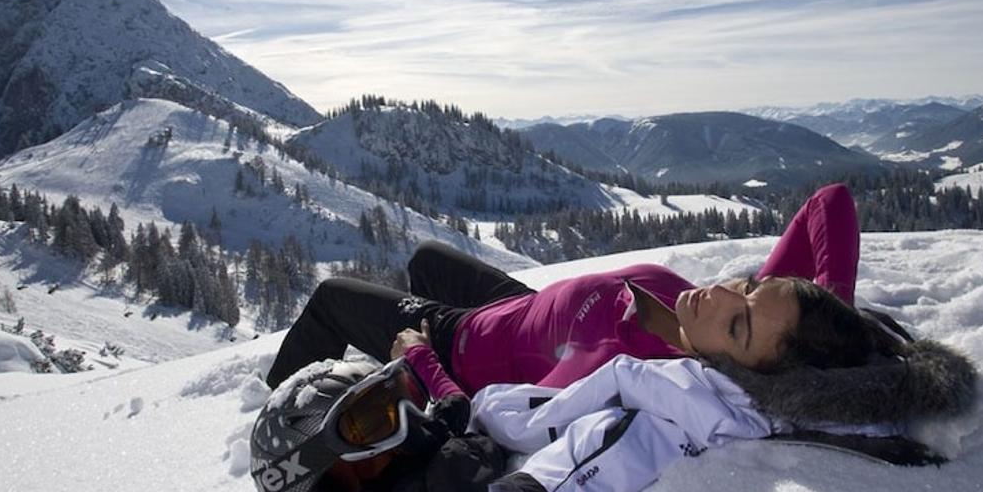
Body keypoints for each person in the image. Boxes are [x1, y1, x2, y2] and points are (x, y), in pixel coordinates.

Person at [265, 183, 896, 401]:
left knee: (329, 299)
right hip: (518, 307)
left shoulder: (613, 371)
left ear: (739, 367)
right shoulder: (716, 315)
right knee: (425, 256)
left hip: (460, 345)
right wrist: (829, 308)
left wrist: (419, 359)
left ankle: (273, 406)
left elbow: (491, 429)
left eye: (739, 326)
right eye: (748, 287)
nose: (721, 294)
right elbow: (829, 202)